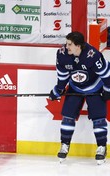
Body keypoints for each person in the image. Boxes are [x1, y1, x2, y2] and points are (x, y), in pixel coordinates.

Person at [49, 31, 110, 164]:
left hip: (95, 86)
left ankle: (101, 147)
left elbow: (106, 73)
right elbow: (63, 75)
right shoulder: (62, 54)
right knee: (68, 116)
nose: (67, 46)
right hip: (75, 87)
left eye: (70, 44)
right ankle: (65, 145)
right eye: (67, 43)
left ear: (79, 46)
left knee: (98, 118)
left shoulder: (92, 55)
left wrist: (107, 89)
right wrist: (58, 89)